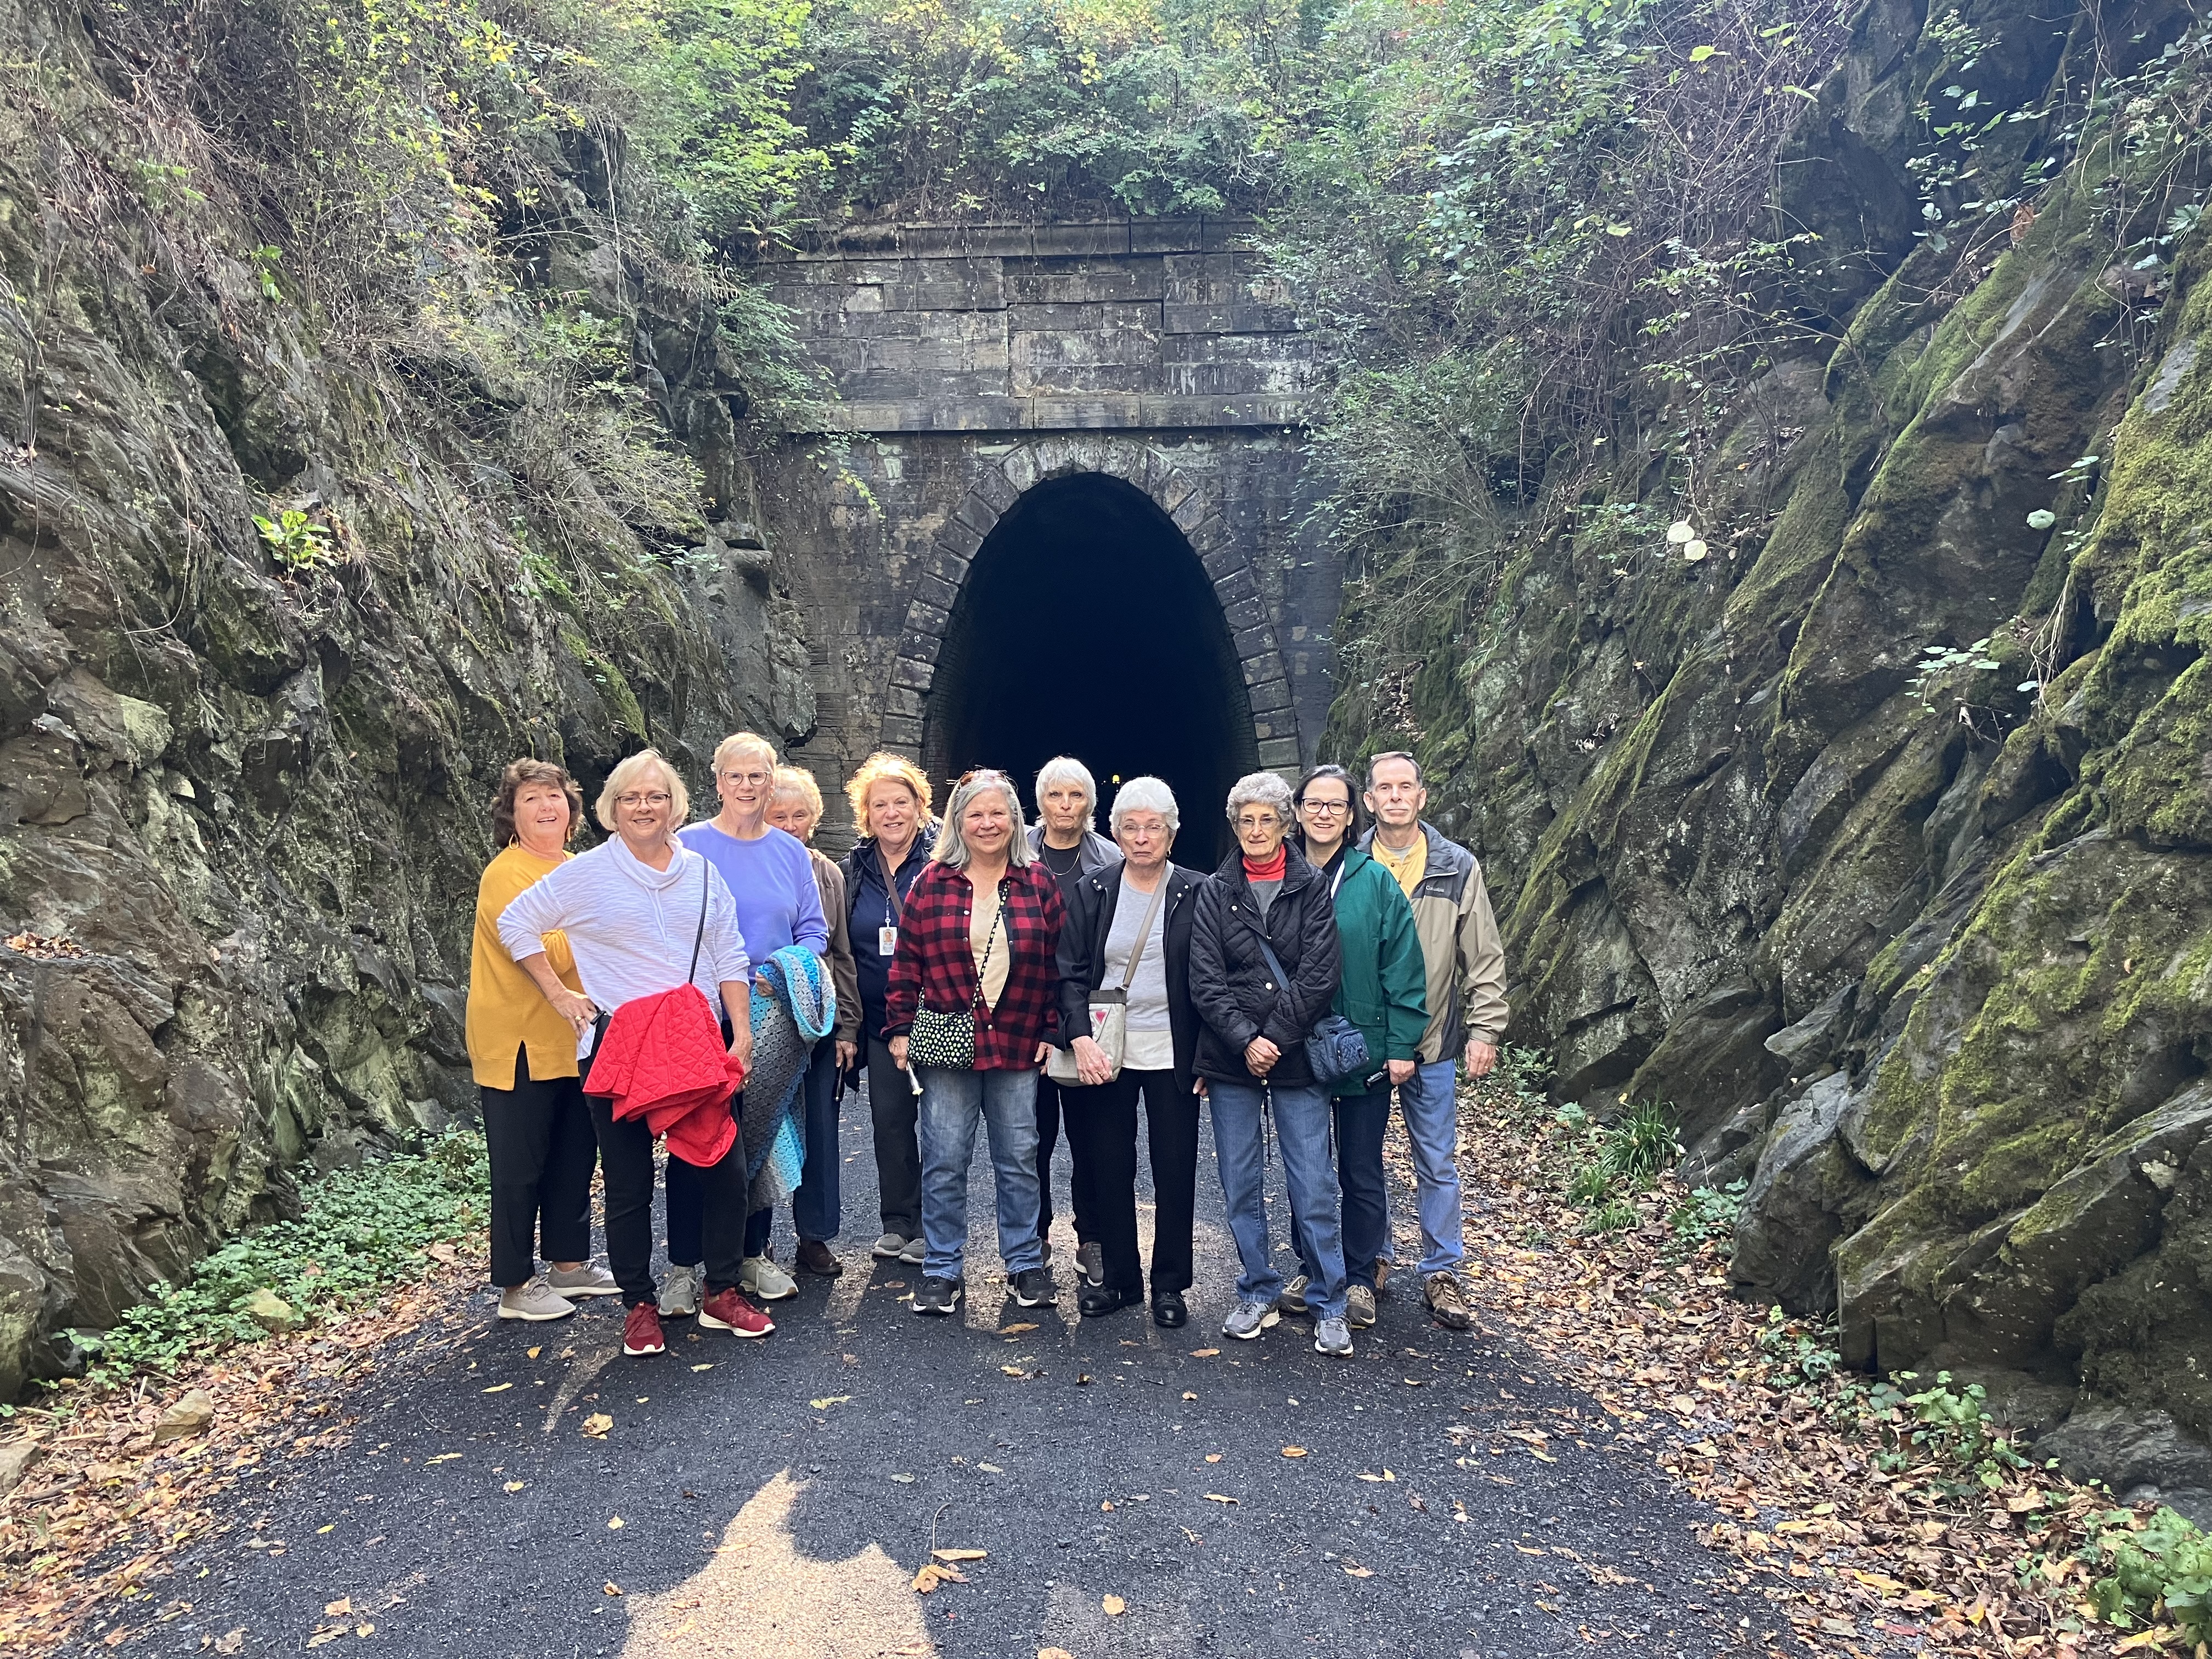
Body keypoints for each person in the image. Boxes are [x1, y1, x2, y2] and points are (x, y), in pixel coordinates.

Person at [498, 749, 772, 1358]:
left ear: (674, 805)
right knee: (627, 1183)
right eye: (630, 798)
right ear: (610, 809)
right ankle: (639, 1305)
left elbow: (730, 954)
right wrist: (560, 994)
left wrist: (743, 1031)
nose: (643, 807)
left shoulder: (701, 872)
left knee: (722, 1169)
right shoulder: (588, 873)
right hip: (619, 1044)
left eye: (655, 796)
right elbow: (516, 923)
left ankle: (722, 1291)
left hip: (694, 1043)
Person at [884, 769, 1066, 1316]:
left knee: (1019, 1157)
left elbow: (1061, 963)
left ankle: (1023, 1264)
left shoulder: (1038, 883)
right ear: (959, 821)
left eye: (997, 813)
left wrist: (1054, 1028)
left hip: (1017, 1038)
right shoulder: (932, 882)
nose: (987, 823)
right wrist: (898, 1027)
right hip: (947, 1040)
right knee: (944, 1158)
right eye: (976, 814)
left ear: (1013, 818)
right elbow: (907, 962)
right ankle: (942, 1269)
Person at [1188, 772, 1352, 1356]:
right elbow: (1205, 978)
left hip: (1295, 1054)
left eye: (1268, 820)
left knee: (1312, 1183)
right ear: (1235, 827)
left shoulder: (1310, 888)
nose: (1257, 831)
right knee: (1240, 1182)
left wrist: (1274, 1037)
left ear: (1287, 825)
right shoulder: (1214, 890)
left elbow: (1319, 974)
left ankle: (1330, 1300)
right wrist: (1243, 1039)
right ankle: (1257, 1287)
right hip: (1233, 1059)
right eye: (1246, 820)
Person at [669, 733, 829, 1312]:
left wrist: (784, 970)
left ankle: (751, 1255)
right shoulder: (687, 846)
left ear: (770, 781)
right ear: (717, 783)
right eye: (735, 777)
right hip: (703, 1016)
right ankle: (685, 1267)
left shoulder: (790, 853)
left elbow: (814, 930)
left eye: (757, 777)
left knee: (760, 1136)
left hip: (772, 1013)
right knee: (697, 1141)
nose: (746, 787)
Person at [465, 759, 620, 1321]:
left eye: (554, 796)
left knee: (574, 1158)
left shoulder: (578, 868)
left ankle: (568, 1264)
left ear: (572, 810)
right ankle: (514, 1285)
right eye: (531, 799)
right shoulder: (507, 874)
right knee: (519, 1166)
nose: (546, 806)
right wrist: (593, 931)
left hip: (575, 1041)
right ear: (513, 813)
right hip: (518, 1045)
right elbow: (543, 946)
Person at [1360, 751, 1510, 1333]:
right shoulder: (1351, 865)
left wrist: (1485, 1029)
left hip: (1435, 1041)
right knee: (1361, 1160)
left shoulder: (1455, 866)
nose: (1395, 797)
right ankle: (1371, 1259)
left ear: (1422, 796)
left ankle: (1441, 1271)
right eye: (1384, 789)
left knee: (1436, 1161)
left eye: (1406, 787)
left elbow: (1484, 953)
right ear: (1369, 801)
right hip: (1367, 1044)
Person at [1052, 777, 1205, 1327]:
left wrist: (1208, 1055)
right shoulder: (1092, 891)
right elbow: (1068, 974)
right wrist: (1080, 1038)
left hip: (1174, 1051)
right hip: (1106, 1051)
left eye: (1154, 827)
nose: (1142, 838)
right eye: (1131, 828)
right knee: (1108, 1165)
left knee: (1175, 1166)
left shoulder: (1196, 891)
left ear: (1171, 832)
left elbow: (1214, 979)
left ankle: (1170, 1284)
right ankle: (1119, 1279)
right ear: (1115, 832)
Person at [1281, 764, 1427, 1330]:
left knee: (1361, 1169)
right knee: (1306, 1167)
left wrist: (1401, 1044)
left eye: (1335, 806)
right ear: (1298, 811)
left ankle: (1362, 1276)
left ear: (1351, 816)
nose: (1323, 814)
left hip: (1363, 1049)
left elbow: (1404, 966)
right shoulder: (1279, 874)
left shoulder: (1374, 881)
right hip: (1299, 1046)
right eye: (1313, 804)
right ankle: (1313, 1265)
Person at [766, 765, 862, 1278]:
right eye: (778, 814)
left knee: (822, 1128)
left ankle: (814, 1237)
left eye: (798, 814)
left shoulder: (828, 872)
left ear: (814, 819)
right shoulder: (747, 866)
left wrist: (848, 1027)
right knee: (759, 1126)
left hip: (820, 1017)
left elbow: (842, 953)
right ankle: (752, 1241)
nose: (789, 824)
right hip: (760, 1016)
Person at [1025, 755, 1118, 1287]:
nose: (1065, 807)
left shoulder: (1109, 858)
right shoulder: (1018, 853)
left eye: (1076, 796)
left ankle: (1093, 1239)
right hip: (1029, 1017)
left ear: (1090, 803)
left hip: (1088, 1015)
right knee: (1031, 1136)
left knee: (1091, 1136)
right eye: (1056, 796)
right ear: (1041, 803)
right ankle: (1033, 1237)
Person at [841, 753, 936, 1265]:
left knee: (942, 1125)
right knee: (891, 1122)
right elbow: (842, 947)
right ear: (867, 813)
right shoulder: (852, 869)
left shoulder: (945, 860)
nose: (892, 813)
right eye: (881, 805)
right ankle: (897, 1220)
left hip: (939, 1018)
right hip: (881, 1021)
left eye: (902, 802)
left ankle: (932, 1225)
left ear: (920, 807)